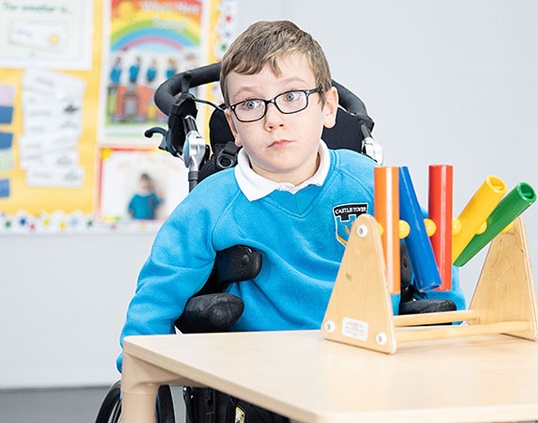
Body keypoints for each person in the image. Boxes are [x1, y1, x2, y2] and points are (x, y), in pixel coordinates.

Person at [117, 20, 464, 421]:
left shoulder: (372, 182)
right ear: (232, 124)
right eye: (250, 104)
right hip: (262, 380)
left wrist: (450, 340)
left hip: (372, 361)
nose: (273, 119)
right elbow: (153, 303)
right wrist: (140, 384)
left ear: (328, 106)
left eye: (293, 97)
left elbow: (435, 264)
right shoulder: (209, 206)